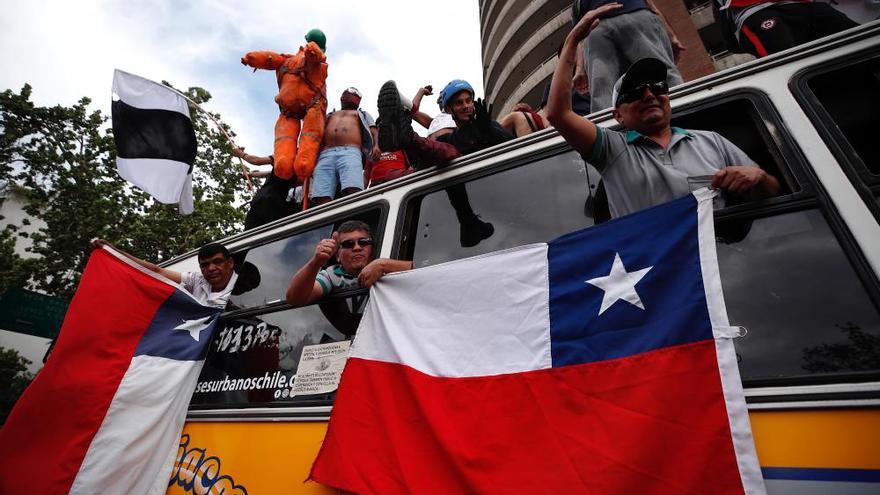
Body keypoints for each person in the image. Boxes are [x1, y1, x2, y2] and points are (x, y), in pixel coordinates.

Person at [546, 7, 780, 218]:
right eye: (635, 91)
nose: (649, 95)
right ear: (617, 116)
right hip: (655, 265)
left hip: (724, 260)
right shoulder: (612, 150)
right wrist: (573, 41)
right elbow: (558, 114)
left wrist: (758, 179)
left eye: (658, 86)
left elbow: (770, 191)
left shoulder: (712, 141)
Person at [377, 80, 509, 247]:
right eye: (459, 103)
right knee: (441, 153)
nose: (466, 106)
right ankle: (404, 138)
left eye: (469, 101)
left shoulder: (486, 125)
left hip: (493, 188)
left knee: (447, 152)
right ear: (449, 110)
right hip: (453, 192)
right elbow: (439, 150)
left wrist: (489, 131)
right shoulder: (448, 139)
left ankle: (407, 139)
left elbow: (513, 145)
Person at [241, 29, 328, 182]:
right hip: (306, 109)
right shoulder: (312, 61)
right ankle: (296, 164)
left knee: (288, 141)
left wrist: (251, 58)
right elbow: (314, 55)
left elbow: (269, 58)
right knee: (309, 137)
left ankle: (286, 164)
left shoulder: (287, 61)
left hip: (291, 111)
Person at [571, 0, 686, 112]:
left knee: (602, 89)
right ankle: (684, 109)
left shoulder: (578, 5)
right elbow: (651, 5)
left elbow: (579, 36)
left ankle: (609, 128)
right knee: (660, 72)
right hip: (631, 16)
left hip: (597, 29)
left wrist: (580, 69)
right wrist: (671, 36)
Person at [285, 220, 411, 306]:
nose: (357, 248)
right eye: (348, 244)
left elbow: (425, 271)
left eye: (363, 242)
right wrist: (316, 262)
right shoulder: (332, 275)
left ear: (372, 248)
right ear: (338, 256)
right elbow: (295, 299)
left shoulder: (386, 262)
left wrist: (384, 265)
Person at [89, 239, 237, 309]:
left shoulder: (239, 288)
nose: (211, 268)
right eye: (204, 265)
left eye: (217, 262)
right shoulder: (197, 280)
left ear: (230, 263)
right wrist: (115, 252)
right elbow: (156, 271)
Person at [713, 0, 858, 58]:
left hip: (799, 4)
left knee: (857, 37)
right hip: (754, 12)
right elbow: (731, 42)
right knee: (789, 64)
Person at [310, 88, 380, 205]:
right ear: (342, 98)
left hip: (350, 151)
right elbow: (315, 131)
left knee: (354, 190)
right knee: (322, 197)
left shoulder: (361, 114)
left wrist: (376, 146)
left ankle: (354, 221)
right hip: (325, 154)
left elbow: (373, 130)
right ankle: (326, 223)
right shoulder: (329, 115)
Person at [232, 147, 301, 229]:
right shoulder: (299, 170)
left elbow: (256, 161)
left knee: (251, 233)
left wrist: (241, 154)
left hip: (264, 201)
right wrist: (251, 174)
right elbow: (268, 174)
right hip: (276, 206)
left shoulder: (284, 156)